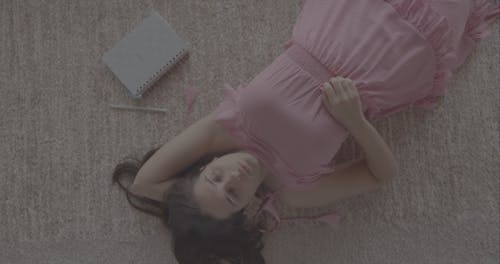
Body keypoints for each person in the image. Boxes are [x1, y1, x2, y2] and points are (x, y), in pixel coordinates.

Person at [112, 1, 500, 263]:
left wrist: (188, 204)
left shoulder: (222, 130)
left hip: (343, 20)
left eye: (215, 176)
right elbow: (382, 174)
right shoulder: (296, 189)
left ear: (207, 164)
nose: (233, 177)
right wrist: (354, 121)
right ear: (246, 211)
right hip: (388, 64)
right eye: (231, 195)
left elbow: (144, 183)